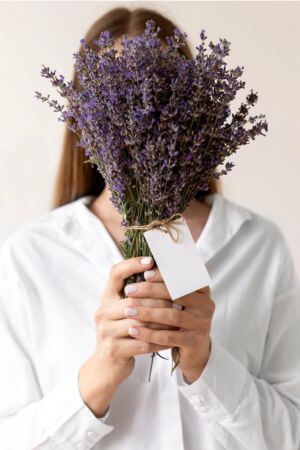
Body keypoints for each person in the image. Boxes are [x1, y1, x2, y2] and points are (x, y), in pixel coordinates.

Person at [1, 6, 300, 450]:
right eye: (118, 100)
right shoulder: (33, 254)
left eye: (160, 97)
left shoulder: (258, 246)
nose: (140, 117)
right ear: (86, 116)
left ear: (192, 111)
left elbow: (290, 435)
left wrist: (207, 364)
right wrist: (97, 377)